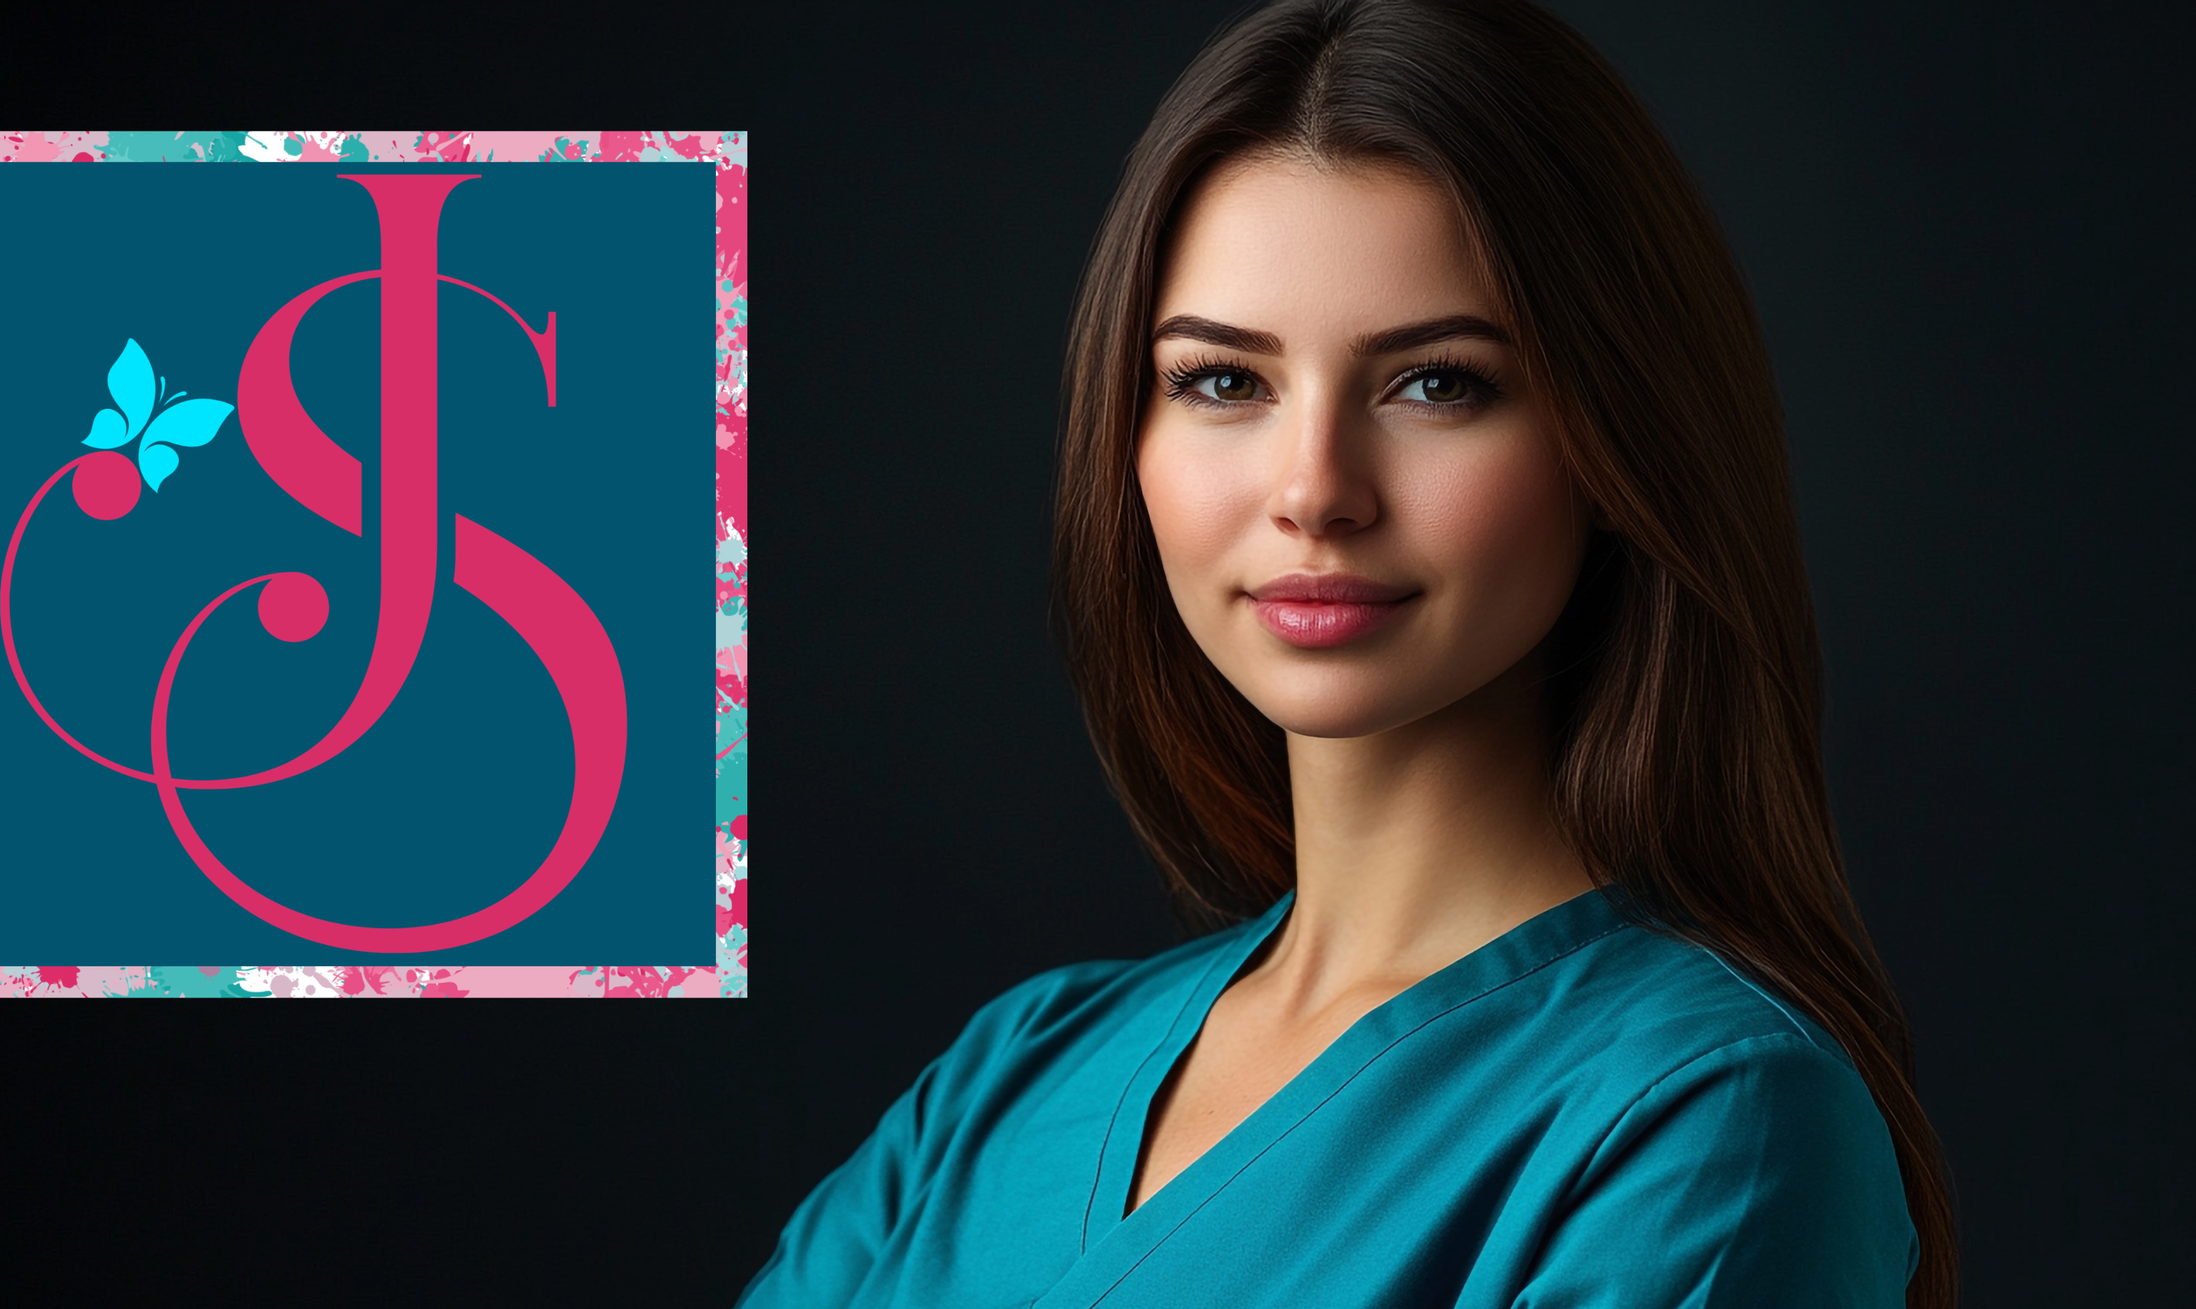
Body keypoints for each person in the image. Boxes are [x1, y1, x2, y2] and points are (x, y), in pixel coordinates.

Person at [740, 0, 1956, 1303]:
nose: (1315, 490)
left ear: (1617, 446)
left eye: (1437, 383)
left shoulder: (1715, 1126)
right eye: (1223, 382)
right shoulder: (1010, 1078)